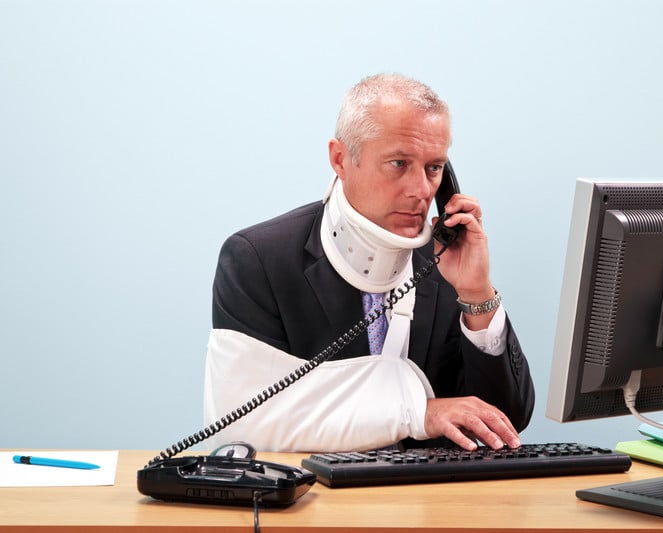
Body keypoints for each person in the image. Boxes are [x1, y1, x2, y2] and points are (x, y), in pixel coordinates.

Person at [204, 73, 534, 453]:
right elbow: (244, 424)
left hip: (432, 503)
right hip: (311, 503)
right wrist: (416, 411)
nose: (423, 191)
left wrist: (477, 294)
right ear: (340, 159)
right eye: (398, 163)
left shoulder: (445, 262)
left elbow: (505, 421)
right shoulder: (258, 260)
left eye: (434, 168)